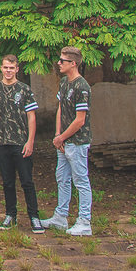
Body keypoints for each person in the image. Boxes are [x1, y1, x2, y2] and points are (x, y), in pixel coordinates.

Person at [0, 54, 42, 234]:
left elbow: (31, 117)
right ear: (0, 68)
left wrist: (30, 141)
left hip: (21, 143)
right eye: (5, 67)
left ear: (17, 69)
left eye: (11, 68)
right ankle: (11, 215)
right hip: (2, 143)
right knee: (7, 182)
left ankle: (34, 216)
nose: (8, 71)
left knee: (27, 181)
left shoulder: (25, 90)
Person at [40, 46, 93, 236]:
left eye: (63, 61)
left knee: (80, 180)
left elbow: (80, 120)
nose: (59, 63)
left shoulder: (82, 87)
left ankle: (84, 221)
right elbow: (61, 109)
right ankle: (60, 217)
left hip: (77, 142)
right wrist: (58, 136)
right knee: (62, 178)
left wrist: (62, 136)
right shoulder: (64, 83)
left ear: (73, 63)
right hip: (63, 141)